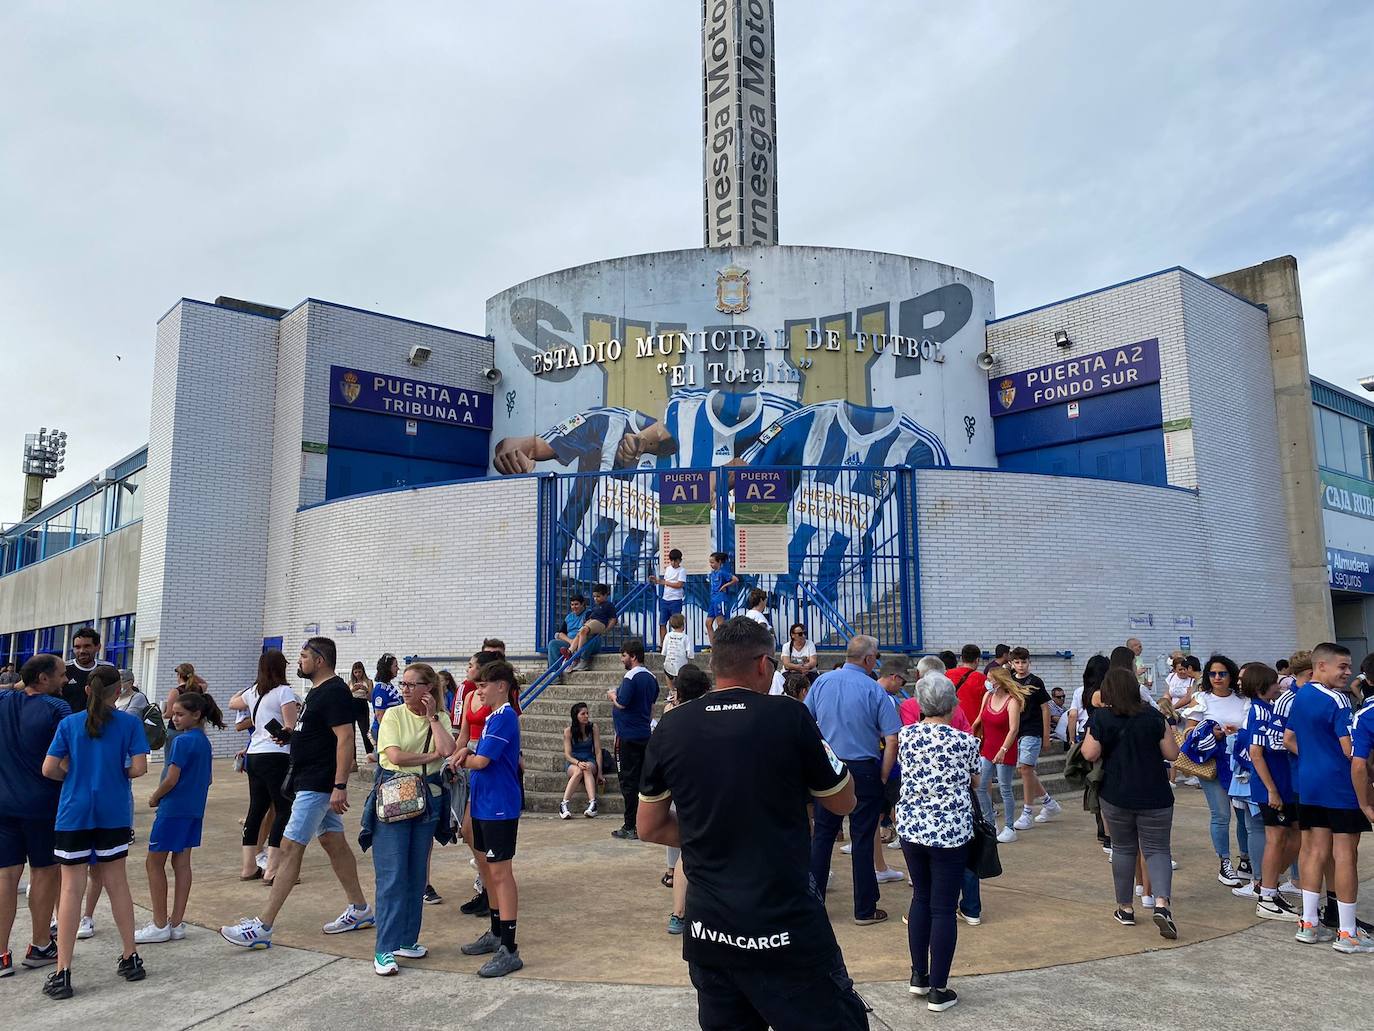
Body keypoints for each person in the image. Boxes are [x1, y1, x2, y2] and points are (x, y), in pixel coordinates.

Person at [636, 616, 867, 1029]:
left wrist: (716, 830)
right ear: (763, 663)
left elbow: (649, 827)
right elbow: (844, 801)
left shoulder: (671, 727)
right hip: (785, 930)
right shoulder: (789, 716)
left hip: (710, 934)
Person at [220, 637, 373, 950]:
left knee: (289, 848)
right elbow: (320, 732)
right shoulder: (316, 692)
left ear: (319, 660)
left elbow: (345, 739)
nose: (299, 661)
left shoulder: (333, 691)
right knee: (333, 841)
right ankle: (360, 909)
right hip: (308, 780)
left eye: (304, 656)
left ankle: (263, 927)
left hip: (318, 784)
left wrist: (340, 785)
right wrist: (292, 734)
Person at [41, 665, 149, 999]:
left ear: (87, 690)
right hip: (113, 812)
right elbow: (139, 768)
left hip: (74, 813)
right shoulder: (130, 723)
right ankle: (130, 956)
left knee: (70, 889)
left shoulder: (69, 724)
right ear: (119, 691)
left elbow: (49, 768)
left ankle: (63, 971)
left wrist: (71, 776)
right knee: (117, 884)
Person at [895, 672, 980, 1011]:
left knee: (921, 897)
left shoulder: (906, 736)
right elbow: (976, 780)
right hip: (950, 830)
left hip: (912, 826)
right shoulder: (965, 741)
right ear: (953, 703)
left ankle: (919, 976)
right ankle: (939, 989)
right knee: (944, 907)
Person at [366, 662, 456, 976]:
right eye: (403, 684)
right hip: (395, 796)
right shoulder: (392, 715)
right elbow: (394, 756)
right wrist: (429, 758)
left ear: (427, 689)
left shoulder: (440, 717)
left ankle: (406, 939)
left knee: (416, 875)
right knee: (391, 875)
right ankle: (384, 949)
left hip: (428, 800)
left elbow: (448, 749)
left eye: (411, 685)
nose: (404, 690)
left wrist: (432, 718)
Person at [805, 634, 901, 925]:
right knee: (863, 836)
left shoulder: (822, 682)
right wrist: (883, 774)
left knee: (822, 835)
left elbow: (806, 721)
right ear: (869, 659)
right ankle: (864, 908)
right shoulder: (874, 690)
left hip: (830, 767)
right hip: (864, 768)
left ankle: (813, 903)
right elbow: (891, 737)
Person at [1286, 642, 1374, 951]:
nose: (1348, 673)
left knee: (1312, 851)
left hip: (1309, 784)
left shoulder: (1300, 696)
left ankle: (1309, 924)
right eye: (1342, 667)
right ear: (1320, 666)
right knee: (1345, 853)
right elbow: (1349, 749)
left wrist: (1314, 759)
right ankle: (1347, 932)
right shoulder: (1337, 700)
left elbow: (1289, 738)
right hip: (1340, 786)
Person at [1080, 668, 1180, 940]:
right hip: (1156, 793)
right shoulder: (1153, 716)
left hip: (1117, 793)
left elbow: (1089, 752)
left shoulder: (1101, 717)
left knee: (1124, 850)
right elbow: (1172, 753)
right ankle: (1162, 904)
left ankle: (1125, 908)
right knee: (1158, 850)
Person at [0, 654, 71, 976]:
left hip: (3, 804)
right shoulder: (58, 710)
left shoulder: (4, 699)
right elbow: (67, 759)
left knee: (5, 876)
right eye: (60, 674)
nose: (66, 680)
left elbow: (13, 686)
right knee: (44, 872)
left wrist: (24, 682)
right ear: (44, 679)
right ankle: (40, 944)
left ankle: (1, 954)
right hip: (44, 805)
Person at [453, 659, 525, 977]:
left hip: (500, 807)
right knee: (489, 871)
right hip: (484, 805)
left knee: (500, 874)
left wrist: (461, 758)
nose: (478, 690)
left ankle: (509, 948)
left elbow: (482, 761)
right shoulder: (493, 718)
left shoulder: (505, 717)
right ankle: (496, 934)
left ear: (501, 686)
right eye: (478, 685)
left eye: (484, 685)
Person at [136, 690, 224, 944]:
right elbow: (207, 779)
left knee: (154, 863)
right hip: (194, 809)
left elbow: (171, 778)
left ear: (196, 715)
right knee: (181, 863)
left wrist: (155, 797)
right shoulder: (204, 742)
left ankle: (160, 923)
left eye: (179, 714)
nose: (174, 718)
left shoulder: (182, 742)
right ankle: (176, 921)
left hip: (173, 810)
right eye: (173, 713)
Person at [228, 650, 298, 883]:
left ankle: (248, 867)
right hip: (276, 755)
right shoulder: (284, 692)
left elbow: (232, 703)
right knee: (282, 809)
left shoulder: (253, 692)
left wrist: (250, 685)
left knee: (256, 809)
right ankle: (272, 868)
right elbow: (290, 727)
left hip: (254, 755)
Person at [450, 649, 508, 917]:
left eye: (472, 666)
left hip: (481, 758)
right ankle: (486, 885)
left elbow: (487, 755)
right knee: (468, 829)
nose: (468, 670)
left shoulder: (499, 707)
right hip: (470, 757)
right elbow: (463, 733)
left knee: (474, 830)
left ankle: (489, 890)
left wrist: (466, 757)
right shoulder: (471, 694)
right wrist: (455, 757)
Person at [1185, 654, 1251, 887]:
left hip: (1241, 763)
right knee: (1221, 814)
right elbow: (1189, 731)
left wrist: (1234, 733)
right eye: (1212, 674)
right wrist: (1211, 734)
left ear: (1231, 675)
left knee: (1245, 814)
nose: (1217, 678)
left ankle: (1246, 859)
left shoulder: (1243, 699)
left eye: (1222, 673)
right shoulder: (1201, 699)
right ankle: (1224, 862)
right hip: (1213, 763)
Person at [1241, 663, 1301, 920]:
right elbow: (1256, 754)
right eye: (1275, 682)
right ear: (1261, 686)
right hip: (1273, 788)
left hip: (1285, 786)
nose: (1280, 686)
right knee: (1276, 839)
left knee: (1294, 836)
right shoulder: (1260, 712)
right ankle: (1266, 893)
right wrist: (1271, 790)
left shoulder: (1270, 709)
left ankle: (1270, 887)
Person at [660, 663, 711, 935]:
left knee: (684, 849)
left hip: (679, 785)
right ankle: (683, 911)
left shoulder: (671, 715)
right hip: (705, 786)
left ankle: (679, 913)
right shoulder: (709, 715)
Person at [608, 639, 660, 841]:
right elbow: (651, 702)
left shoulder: (630, 677)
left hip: (627, 737)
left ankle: (631, 825)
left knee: (628, 782)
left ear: (633, 656)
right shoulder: (652, 678)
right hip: (644, 735)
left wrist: (612, 695)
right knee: (641, 780)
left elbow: (621, 703)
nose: (622, 660)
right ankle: (643, 823)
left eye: (624, 655)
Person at [972, 667, 1025, 843]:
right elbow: (979, 718)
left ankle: (1009, 826)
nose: (987, 682)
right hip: (987, 748)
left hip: (1005, 749)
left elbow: (1014, 729)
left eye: (990, 678)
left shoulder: (1012, 702)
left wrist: (1003, 749)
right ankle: (990, 822)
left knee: (1005, 788)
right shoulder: (988, 696)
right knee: (980, 786)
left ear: (999, 680)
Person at [1008, 647, 1059, 829]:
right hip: (1015, 730)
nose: (1021, 666)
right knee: (1025, 771)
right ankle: (1048, 802)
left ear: (1029, 662)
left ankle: (1028, 811)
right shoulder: (1009, 681)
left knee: (1026, 769)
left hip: (1033, 729)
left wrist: (1046, 735)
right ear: (1012, 664)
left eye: (1024, 662)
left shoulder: (1036, 681)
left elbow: (1045, 708)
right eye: (1017, 662)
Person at [560, 702, 604, 819]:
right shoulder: (568, 731)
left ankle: (593, 803)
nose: (586, 716)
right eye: (583, 714)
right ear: (576, 716)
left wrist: (599, 773)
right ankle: (564, 804)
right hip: (574, 761)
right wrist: (578, 763)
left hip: (589, 759)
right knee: (579, 770)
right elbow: (567, 755)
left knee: (587, 768)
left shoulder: (593, 728)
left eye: (587, 713)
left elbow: (598, 751)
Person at [565, 584, 617, 673]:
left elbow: (613, 619)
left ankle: (578, 655)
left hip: (600, 623)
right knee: (579, 633)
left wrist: (607, 629)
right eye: (594, 596)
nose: (596, 598)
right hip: (592, 622)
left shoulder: (608, 605)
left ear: (605, 595)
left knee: (583, 630)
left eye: (598, 596)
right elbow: (592, 617)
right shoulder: (595, 606)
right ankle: (570, 651)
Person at [62, 627, 110, 715]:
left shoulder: (107, 669)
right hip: (70, 724)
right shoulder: (64, 669)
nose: (82, 651)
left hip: (100, 722)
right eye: (77, 647)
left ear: (98, 647)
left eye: (87, 646)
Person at [651, 548, 687, 645]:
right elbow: (664, 582)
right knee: (662, 623)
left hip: (676, 600)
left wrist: (665, 582)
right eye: (671, 560)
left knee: (676, 624)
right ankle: (663, 645)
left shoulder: (682, 571)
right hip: (665, 599)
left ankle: (676, 644)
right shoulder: (667, 569)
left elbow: (679, 584)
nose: (673, 563)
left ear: (679, 560)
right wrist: (657, 581)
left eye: (675, 560)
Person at [705, 551, 739, 646]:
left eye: (713, 562)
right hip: (713, 600)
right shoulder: (713, 574)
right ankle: (714, 645)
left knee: (721, 624)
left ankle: (724, 645)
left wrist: (725, 585)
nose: (711, 564)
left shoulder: (723, 572)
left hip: (720, 599)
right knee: (708, 623)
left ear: (719, 562)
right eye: (710, 562)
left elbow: (735, 579)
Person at [949, 645, 988, 727]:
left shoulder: (948, 674)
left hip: (951, 721)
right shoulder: (982, 679)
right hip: (972, 724)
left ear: (961, 658)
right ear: (977, 660)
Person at [546, 594, 588, 668]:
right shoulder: (569, 617)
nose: (574, 607)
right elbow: (561, 633)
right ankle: (554, 672)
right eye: (572, 605)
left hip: (582, 642)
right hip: (570, 642)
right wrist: (571, 641)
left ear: (582, 604)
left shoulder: (588, 614)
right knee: (553, 644)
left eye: (576, 604)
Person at [370, 653, 402, 744]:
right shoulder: (381, 689)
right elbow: (380, 715)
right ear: (388, 668)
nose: (398, 669)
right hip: (383, 731)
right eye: (395, 666)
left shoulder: (389, 686)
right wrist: (387, 734)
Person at [349, 661, 375, 760]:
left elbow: (370, 699)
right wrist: (352, 690)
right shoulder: (350, 682)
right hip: (351, 705)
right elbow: (345, 697)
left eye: (359, 672)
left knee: (365, 732)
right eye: (355, 672)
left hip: (362, 705)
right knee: (351, 734)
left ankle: (370, 756)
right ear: (353, 673)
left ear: (363, 671)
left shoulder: (368, 682)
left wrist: (366, 690)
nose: (358, 674)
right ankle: (352, 761)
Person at [662, 612, 694, 691]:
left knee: (668, 675)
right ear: (683, 625)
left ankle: (671, 690)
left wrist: (665, 653)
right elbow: (690, 652)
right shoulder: (685, 637)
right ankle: (679, 692)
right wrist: (690, 656)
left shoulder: (668, 635)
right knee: (680, 678)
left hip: (669, 662)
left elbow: (664, 650)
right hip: (681, 664)